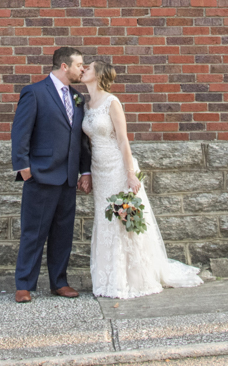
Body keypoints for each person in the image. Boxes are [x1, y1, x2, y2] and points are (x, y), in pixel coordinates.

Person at [80, 59, 203, 298]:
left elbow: (123, 140)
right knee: (105, 220)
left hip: (117, 167)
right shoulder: (86, 105)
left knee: (123, 218)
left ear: (99, 74)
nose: (84, 69)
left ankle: (132, 280)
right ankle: (108, 280)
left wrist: (130, 174)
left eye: (89, 67)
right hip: (99, 169)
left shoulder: (112, 102)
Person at [10, 45, 93, 303]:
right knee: (33, 232)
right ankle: (24, 284)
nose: (84, 69)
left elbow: (81, 139)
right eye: (80, 65)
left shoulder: (78, 98)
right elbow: (20, 132)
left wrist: (85, 171)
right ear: (64, 66)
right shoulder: (35, 92)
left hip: (68, 178)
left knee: (63, 233)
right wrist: (23, 167)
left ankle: (59, 282)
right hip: (41, 175)